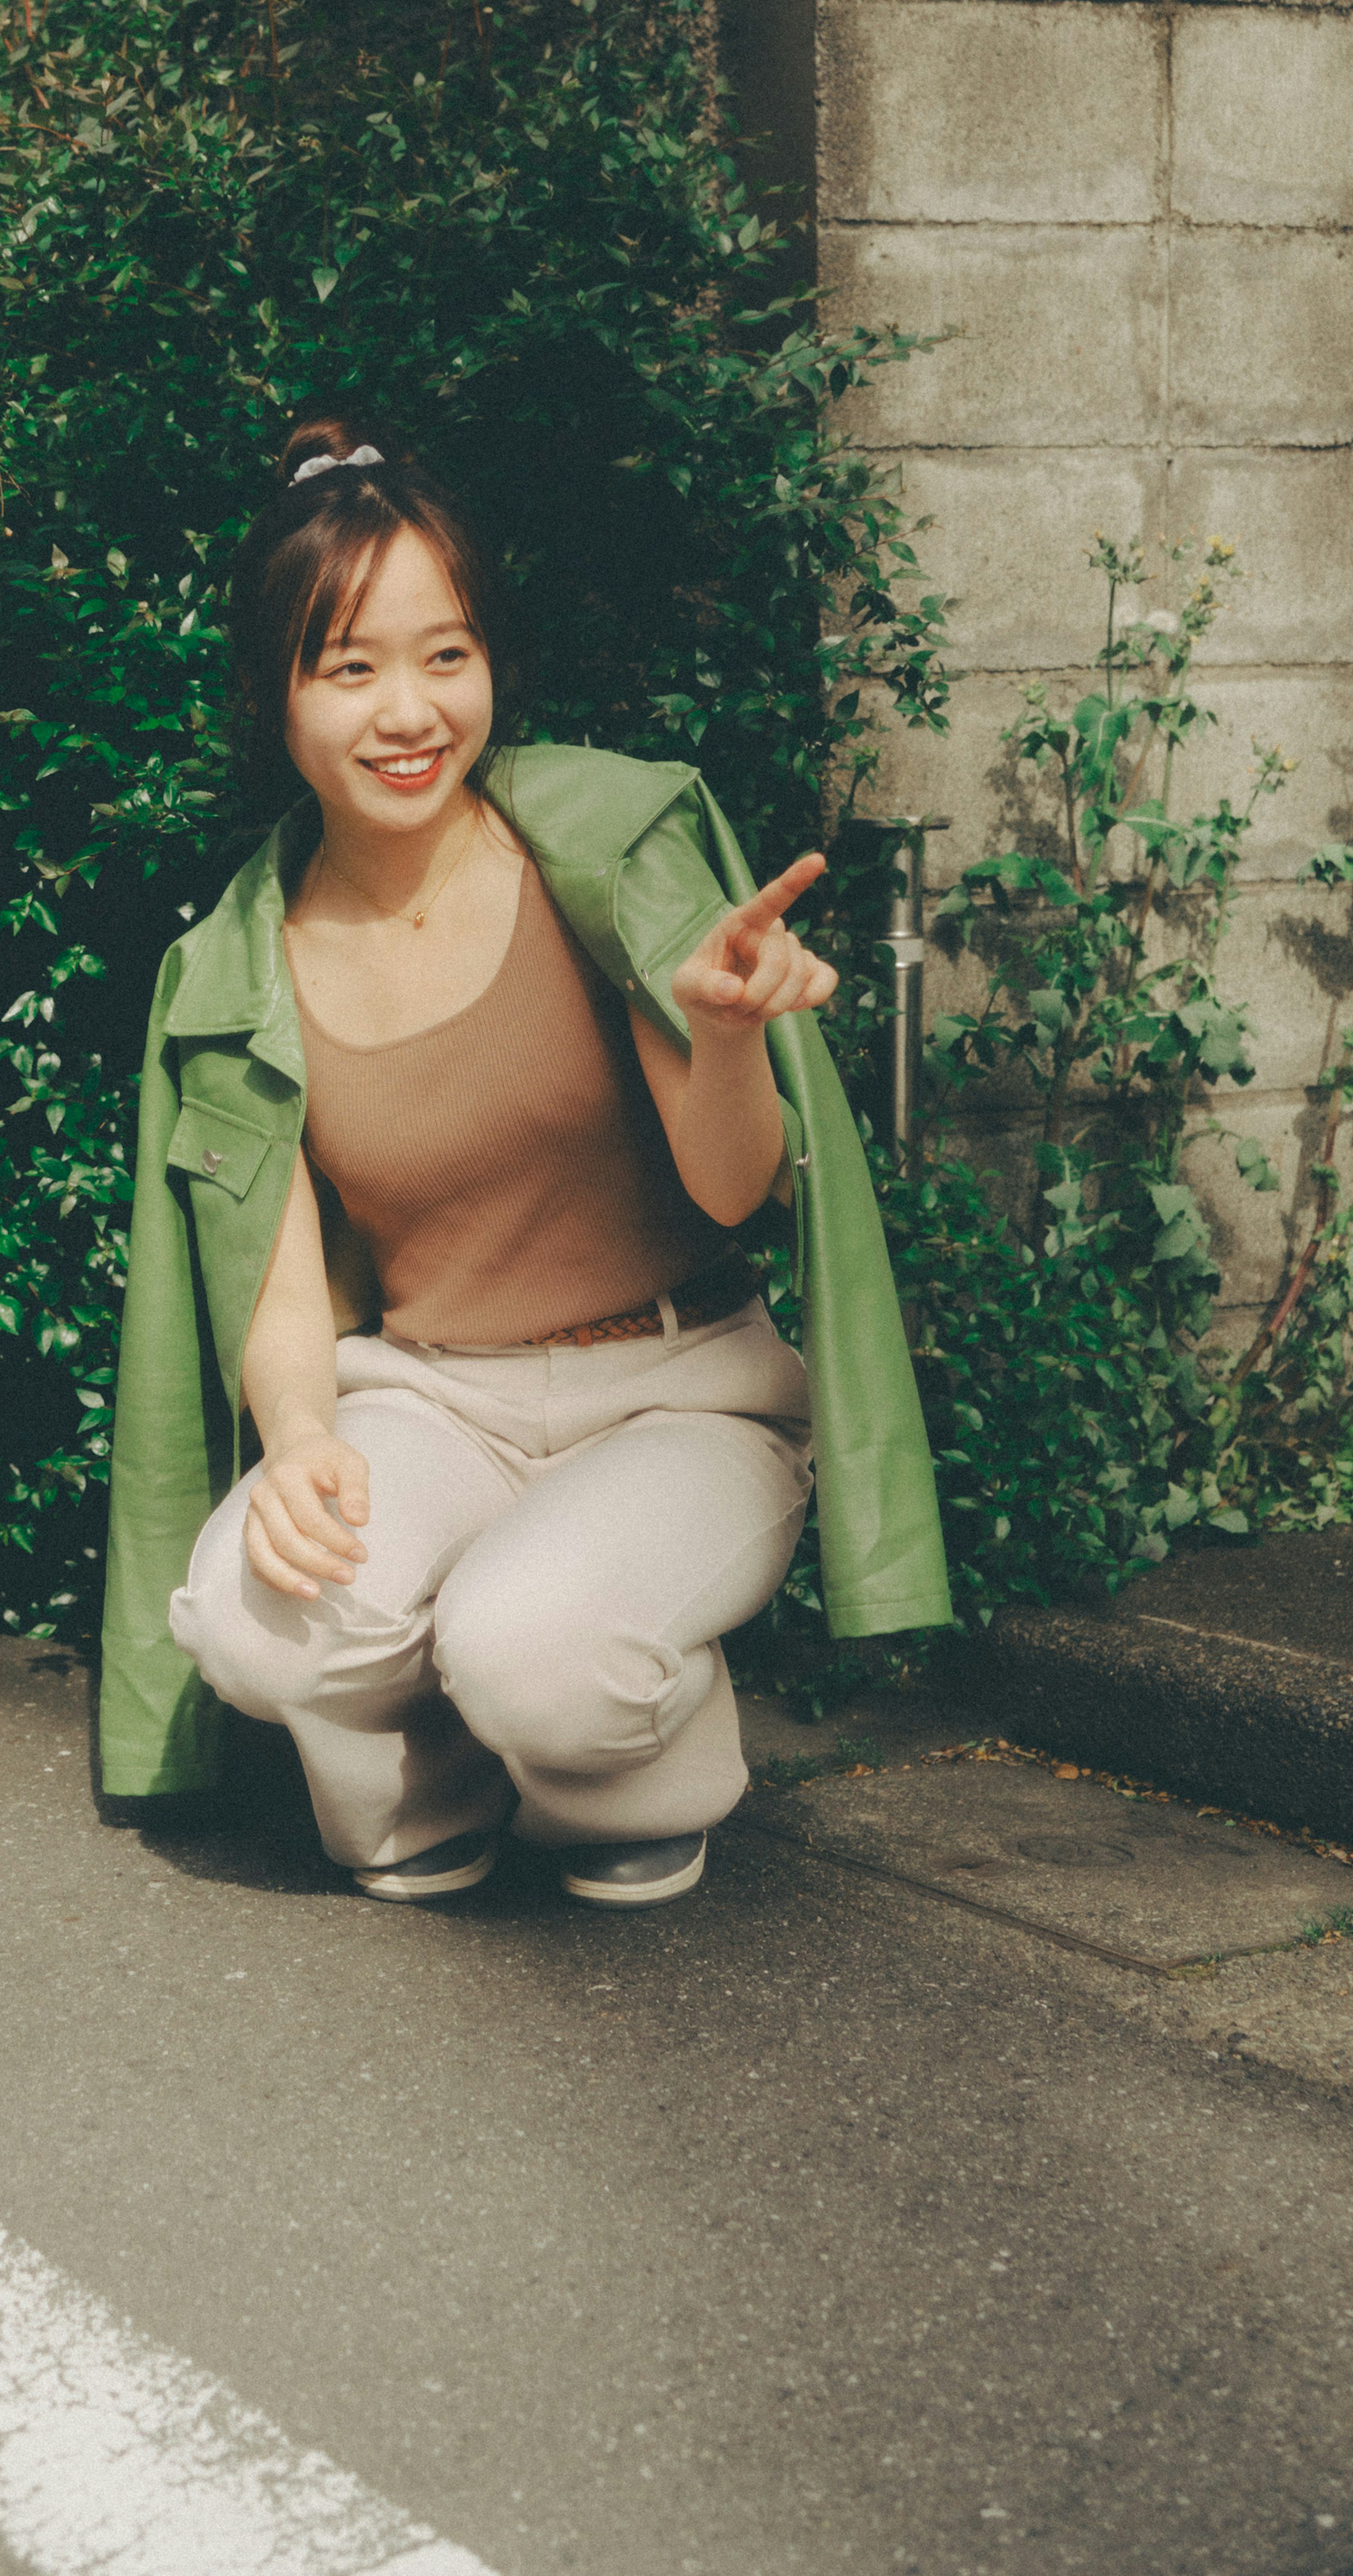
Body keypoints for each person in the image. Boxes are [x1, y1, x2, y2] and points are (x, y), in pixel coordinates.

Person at [98, 416, 950, 1904]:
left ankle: (627, 1766)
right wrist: (301, 1439)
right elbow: (278, 1280)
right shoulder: (243, 964)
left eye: (447, 655)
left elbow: (734, 1189)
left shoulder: (603, 857)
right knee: (244, 1617)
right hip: (439, 1402)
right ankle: (432, 1797)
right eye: (349, 667)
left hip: (682, 1398)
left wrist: (732, 1036)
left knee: (536, 1655)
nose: (408, 710)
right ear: (275, 697)